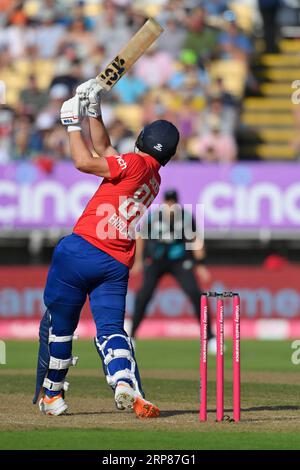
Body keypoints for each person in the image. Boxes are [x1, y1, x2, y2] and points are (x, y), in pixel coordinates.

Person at [33, 78, 180, 418]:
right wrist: (93, 110)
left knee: (61, 326)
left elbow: (85, 161)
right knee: (111, 330)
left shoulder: (135, 165)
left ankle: (53, 395)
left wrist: (71, 124)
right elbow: (106, 150)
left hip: (81, 249)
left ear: (142, 139)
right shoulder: (152, 177)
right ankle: (123, 381)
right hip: (115, 264)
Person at [130, 189, 216, 352]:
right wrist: (138, 261)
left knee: (195, 293)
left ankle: (210, 337)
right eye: (167, 202)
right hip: (155, 260)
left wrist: (201, 265)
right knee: (144, 295)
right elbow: (140, 237)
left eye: (173, 202)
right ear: (163, 202)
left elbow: (195, 239)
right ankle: (132, 336)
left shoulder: (185, 217)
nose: (170, 205)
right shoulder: (154, 217)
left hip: (179, 260)